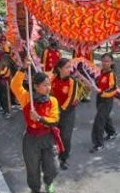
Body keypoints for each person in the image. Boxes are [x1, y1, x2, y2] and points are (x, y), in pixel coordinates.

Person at [10, 64, 61, 193]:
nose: (48, 88)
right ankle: (35, 189)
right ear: (36, 87)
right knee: (32, 168)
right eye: (44, 85)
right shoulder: (27, 98)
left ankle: (49, 183)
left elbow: (54, 120)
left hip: (48, 138)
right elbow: (15, 85)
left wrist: (39, 118)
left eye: (49, 84)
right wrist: (22, 68)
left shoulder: (52, 101)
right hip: (31, 139)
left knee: (53, 167)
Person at [51, 58, 79, 170]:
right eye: (67, 67)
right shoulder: (53, 79)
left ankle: (64, 158)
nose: (70, 70)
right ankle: (54, 155)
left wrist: (60, 110)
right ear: (59, 69)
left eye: (70, 67)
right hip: (54, 112)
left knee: (65, 137)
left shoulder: (73, 82)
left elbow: (71, 98)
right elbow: (48, 92)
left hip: (67, 113)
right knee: (53, 135)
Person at [90, 53, 117, 153]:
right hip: (99, 99)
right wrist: (94, 85)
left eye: (107, 61)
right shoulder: (101, 72)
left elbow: (113, 90)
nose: (105, 63)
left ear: (111, 62)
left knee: (99, 121)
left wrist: (102, 92)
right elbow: (99, 84)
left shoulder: (111, 74)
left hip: (107, 100)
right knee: (105, 117)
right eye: (103, 61)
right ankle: (112, 132)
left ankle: (99, 144)